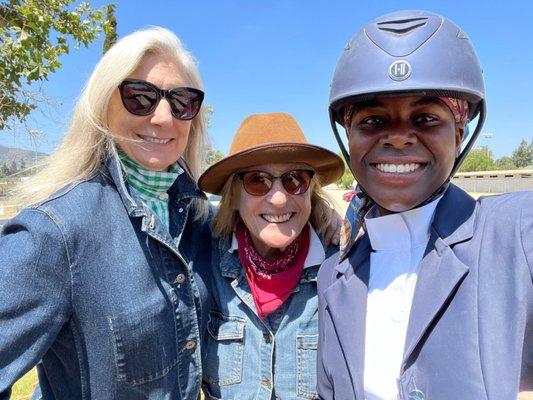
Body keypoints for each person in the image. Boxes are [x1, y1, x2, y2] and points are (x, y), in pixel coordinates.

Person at [317, 10, 532, 400]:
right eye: (372, 120)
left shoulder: (516, 235)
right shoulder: (333, 277)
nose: (398, 137)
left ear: (460, 133)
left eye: (426, 117)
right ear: (348, 136)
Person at [0, 27, 213, 399]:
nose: (164, 117)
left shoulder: (197, 221)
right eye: (140, 97)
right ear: (102, 105)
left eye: (181, 102)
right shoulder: (53, 233)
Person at [197, 112, 344, 400]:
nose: (278, 198)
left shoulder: (341, 268)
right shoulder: (202, 261)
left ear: (309, 192)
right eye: (257, 180)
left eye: (294, 179)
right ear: (235, 196)